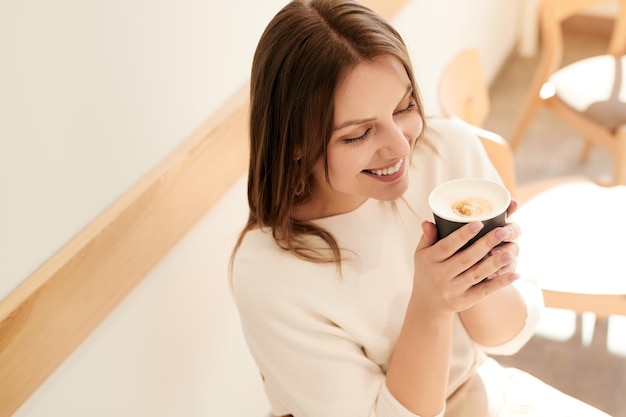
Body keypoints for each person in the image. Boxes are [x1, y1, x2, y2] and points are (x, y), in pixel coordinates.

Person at [229, 1, 611, 416]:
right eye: (358, 134)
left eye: (404, 108)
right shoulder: (270, 271)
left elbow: (507, 335)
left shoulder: (448, 155)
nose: (400, 146)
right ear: (297, 142)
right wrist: (431, 307)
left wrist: (481, 273)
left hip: (476, 392)